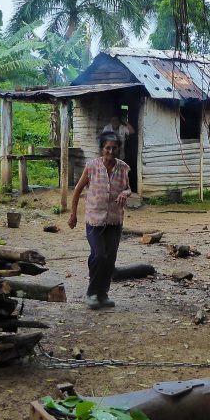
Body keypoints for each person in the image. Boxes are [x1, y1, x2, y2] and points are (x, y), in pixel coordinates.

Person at [68, 131, 131, 309]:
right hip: (94, 220)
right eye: (107, 148)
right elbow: (77, 191)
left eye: (114, 148)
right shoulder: (91, 167)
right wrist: (73, 214)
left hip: (114, 221)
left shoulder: (123, 168)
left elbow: (128, 188)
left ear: (118, 149)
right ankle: (91, 293)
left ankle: (103, 295)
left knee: (109, 259)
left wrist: (125, 194)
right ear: (102, 149)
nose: (111, 151)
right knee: (99, 255)